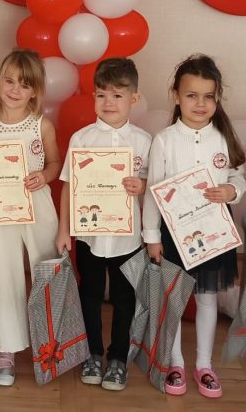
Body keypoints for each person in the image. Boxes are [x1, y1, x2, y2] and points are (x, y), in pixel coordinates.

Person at [142, 54, 245, 399]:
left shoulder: (223, 137)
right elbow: (154, 191)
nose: (200, 104)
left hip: (213, 234)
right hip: (173, 236)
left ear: (217, 98)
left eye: (208, 96)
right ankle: (175, 362)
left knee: (207, 299)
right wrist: (151, 236)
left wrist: (232, 190)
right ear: (176, 95)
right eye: (191, 95)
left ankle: (204, 364)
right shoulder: (165, 140)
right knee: (174, 301)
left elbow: (237, 175)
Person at [55, 58, 151, 392]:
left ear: (134, 99)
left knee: (125, 298)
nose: (108, 102)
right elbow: (68, 185)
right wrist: (64, 229)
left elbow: (154, 186)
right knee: (90, 294)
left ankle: (118, 358)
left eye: (117, 95)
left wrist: (142, 184)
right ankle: (92, 354)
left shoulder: (144, 141)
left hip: (128, 238)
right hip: (90, 236)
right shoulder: (82, 139)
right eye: (101, 95)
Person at [0, 49, 61, 387]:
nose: (15, 90)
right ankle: (8, 350)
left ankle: (52, 342)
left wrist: (44, 176)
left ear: (35, 91)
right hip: (1, 210)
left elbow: (54, 164)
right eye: (9, 81)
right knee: (6, 273)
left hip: (38, 203)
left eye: (24, 85)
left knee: (47, 269)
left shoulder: (41, 125)